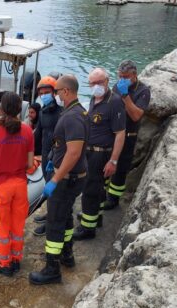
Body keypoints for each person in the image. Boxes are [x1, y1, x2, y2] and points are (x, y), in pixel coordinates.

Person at [29, 75, 89, 285]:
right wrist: (53, 159)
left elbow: (73, 153)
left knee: (55, 222)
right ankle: (67, 255)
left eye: (57, 91)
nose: (55, 96)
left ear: (66, 91)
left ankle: (52, 269)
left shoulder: (71, 116)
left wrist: (55, 177)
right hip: (72, 176)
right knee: (65, 217)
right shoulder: (78, 111)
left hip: (66, 179)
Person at [0, 92, 34, 277]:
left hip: (2, 187)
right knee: (18, 225)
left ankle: (5, 263)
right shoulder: (27, 130)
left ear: (1, 109)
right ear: (20, 108)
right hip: (20, 185)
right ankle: (16, 258)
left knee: (3, 227)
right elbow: (29, 164)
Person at [73, 68, 126, 241]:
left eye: (100, 82)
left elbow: (120, 133)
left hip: (101, 154)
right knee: (97, 189)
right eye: (93, 83)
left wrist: (114, 161)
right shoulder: (94, 99)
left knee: (90, 190)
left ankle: (87, 228)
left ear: (107, 81)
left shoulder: (115, 102)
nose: (96, 86)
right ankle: (95, 216)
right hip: (89, 151)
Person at [103, 60, 151, 210]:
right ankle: (102, 194)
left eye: (125, 76)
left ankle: (113, 199)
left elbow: (136, 115)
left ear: (134, 75)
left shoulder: (143, 91)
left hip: (129, 133)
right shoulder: (117, 86)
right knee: (105, 163)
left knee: (121, 167)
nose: (121, 79)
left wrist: (125, 96)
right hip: (112, 132)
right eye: (120, 76)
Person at [32, 76, 63, 237]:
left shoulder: (60, 113)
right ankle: (48, 214)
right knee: (49, 189)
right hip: (45, 155)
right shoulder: (43, 112)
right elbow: (38, 133)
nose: (44, 95)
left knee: (55, 193)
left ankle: (50, 223)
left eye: (47, 92)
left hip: (55, 158)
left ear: (54, 92)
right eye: (41, 92)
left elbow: (61, 139)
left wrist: (54, 158)